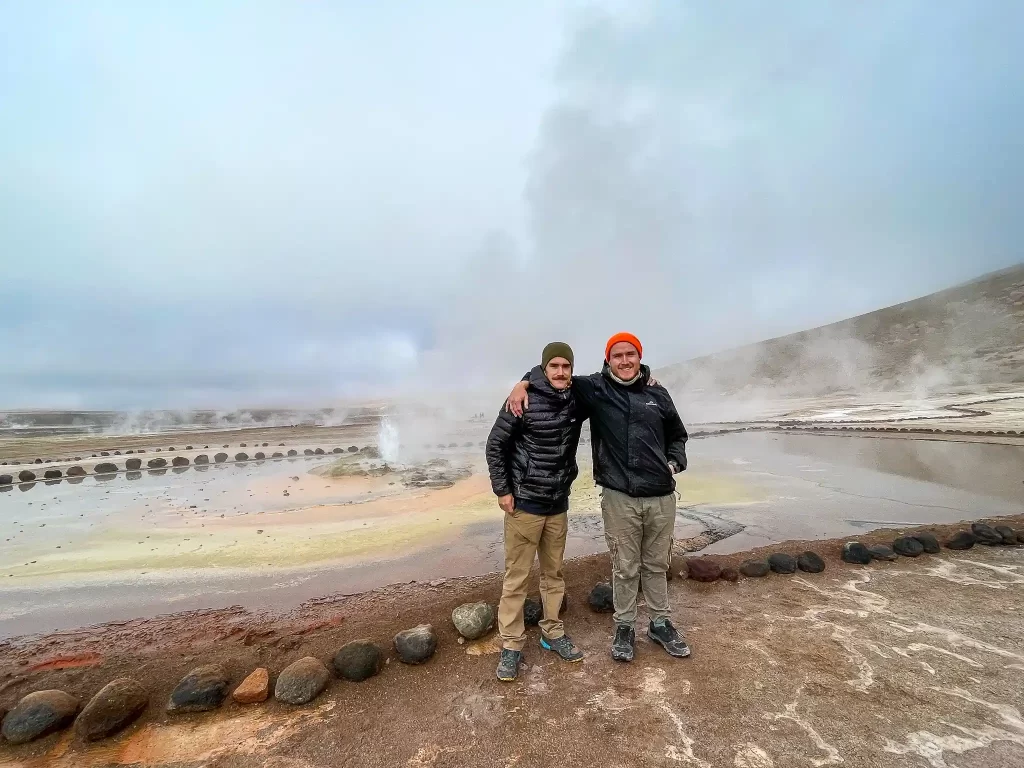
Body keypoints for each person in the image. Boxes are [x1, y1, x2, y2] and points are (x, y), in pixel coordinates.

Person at [506, 332, 690, 663]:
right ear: (608, 360)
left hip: (661, 495)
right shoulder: (596, 389)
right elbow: (554, 375)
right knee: (624, 565)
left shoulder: (657, 392)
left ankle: (660, 623)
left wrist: (674, 463)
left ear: (639, 358)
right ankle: (624, 627)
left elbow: (678, 434)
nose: (623, 360)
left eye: (629, 354)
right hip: (620, 495)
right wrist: (522, 383)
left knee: (657, 563)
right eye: (616, 355)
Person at [486, 342, 587, 682]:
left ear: (572, 370)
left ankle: (552, 633)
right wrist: (502, 490)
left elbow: (612, 382)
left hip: (557, 505)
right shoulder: (522, 399)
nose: (560, 371)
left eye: (566, 366)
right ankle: (512, 645)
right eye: (554, 365)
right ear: (544, 368)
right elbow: (495, 445)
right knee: (516, 579)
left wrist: (648, 378)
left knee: (553, 574)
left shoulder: (576, 397)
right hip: (524, 505)